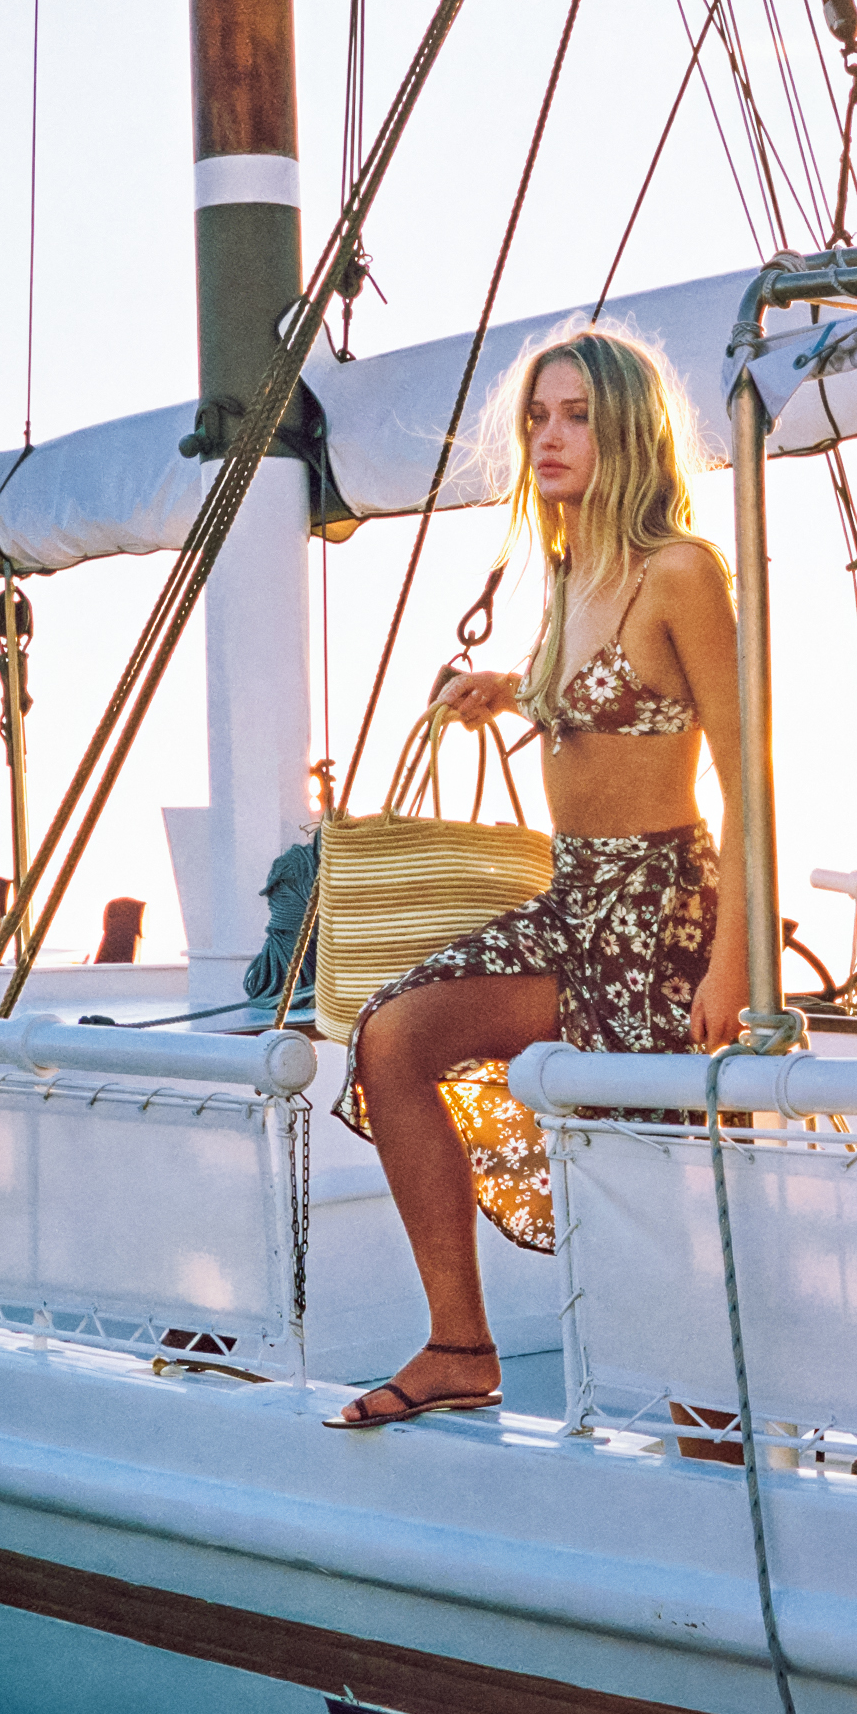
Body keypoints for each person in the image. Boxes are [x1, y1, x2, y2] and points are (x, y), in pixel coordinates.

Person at [328, 327, 747, 1431]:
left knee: (655, 1185)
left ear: (628, 431)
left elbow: (748, 776)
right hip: (573, 902)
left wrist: (734, 966)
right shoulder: (568, 571)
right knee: (392, 1037)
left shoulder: (681, 571)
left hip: (661, 911)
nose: (549, 438)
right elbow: (615, 695)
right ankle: (459, 1346)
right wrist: (513, 688)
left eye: (576, 418)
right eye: (537, 418)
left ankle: (721, 1436)